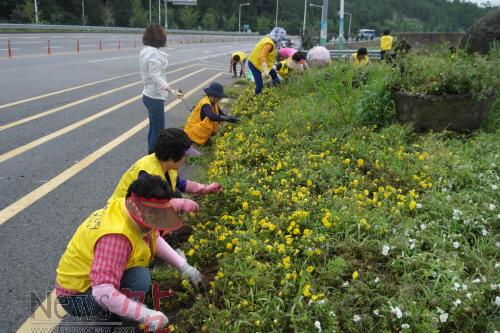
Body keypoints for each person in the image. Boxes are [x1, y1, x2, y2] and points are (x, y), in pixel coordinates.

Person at [55, 173, 203, 331]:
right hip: (77, 297)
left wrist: (185, 268)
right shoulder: (117, 236)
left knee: (140, 276)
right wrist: (145, 314)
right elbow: (102, 291)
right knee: (138, 280)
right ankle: (106, 324)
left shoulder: (128, 205)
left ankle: (120, 310)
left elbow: (154, 237)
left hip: (90, 282)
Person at [109, 128, 222, 209]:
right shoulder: (148, 174)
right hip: (121, 213)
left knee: (174, 194)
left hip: (138, 207)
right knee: (173, 199)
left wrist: (204, 189)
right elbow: (145, 204)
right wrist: (181, 204)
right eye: (185, 155)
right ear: (173, 155)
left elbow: (178, 183)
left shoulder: (165, 163)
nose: (186, 159)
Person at [140, 24, 184, 154]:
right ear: (159, 38)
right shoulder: (154, 54)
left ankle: (150, 154)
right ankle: (153, 157)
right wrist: (171, 90)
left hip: (148, 94)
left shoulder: (145, 51)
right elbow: (155, 75)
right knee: (158, 130)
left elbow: (154, 75)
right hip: (154, 97)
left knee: (153, 127)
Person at [248, 27, 287, 95]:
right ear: (278, 37)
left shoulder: (268, 39)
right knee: (260, 85)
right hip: (255, 64)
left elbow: (270, 56)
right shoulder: (269, 44)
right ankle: (256, 95)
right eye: (281, 39)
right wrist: (265, 70)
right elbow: (262, 56)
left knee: (273, 73)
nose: (281, 41)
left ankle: (280, 86)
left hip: (259, 63)